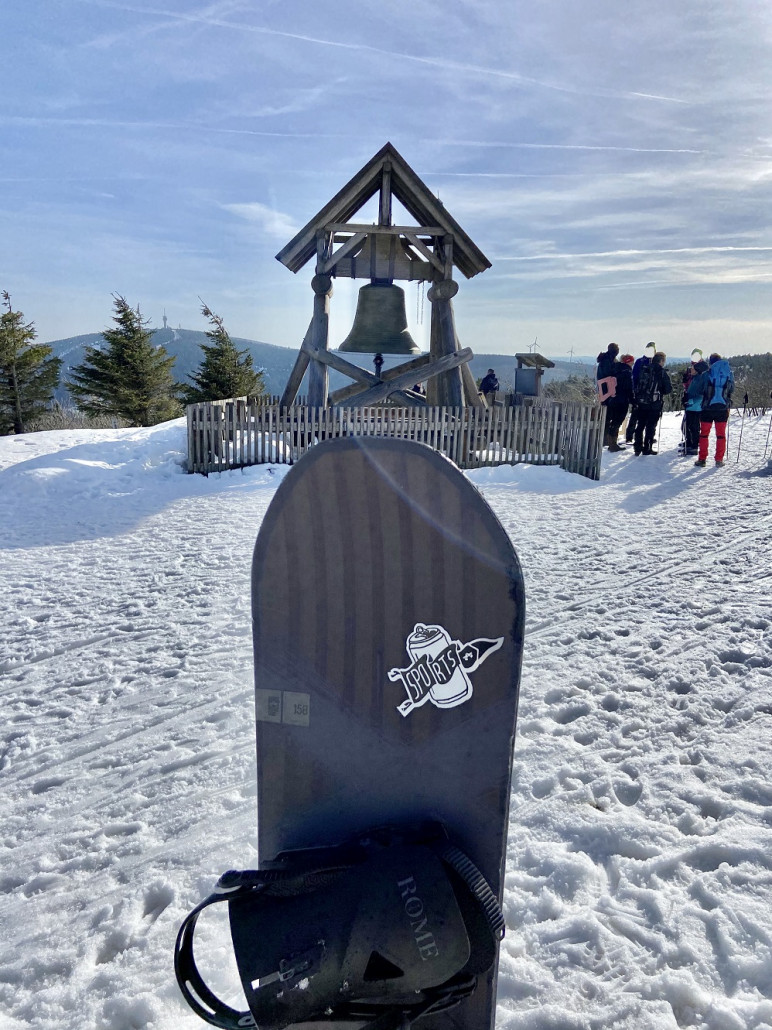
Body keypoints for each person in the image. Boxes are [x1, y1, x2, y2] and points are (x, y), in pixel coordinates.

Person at [695, 353, 734, 467]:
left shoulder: (707, 374)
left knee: (704, 434)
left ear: (710, 363)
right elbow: (731, 389)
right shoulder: (729, 374)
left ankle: (702, 459)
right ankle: (719, 459)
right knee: (721, 435)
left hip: (707, 408)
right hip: (722, 408)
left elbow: (699, 389)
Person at [632, 350, 672, 455]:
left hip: (641, 401)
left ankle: (637, 446)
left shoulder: (644, 369)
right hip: (654, 403)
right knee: (651, 426)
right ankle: (647, 447)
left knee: (640, 425)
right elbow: (668, 389)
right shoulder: (661, 372)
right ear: (661, 361)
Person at [626, 342, 657, 444]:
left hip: (639, 393)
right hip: (649, 394)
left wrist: (634, 390)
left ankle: (631, 436)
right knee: (646, 417)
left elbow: (634, 377)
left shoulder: (640, 361)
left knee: (637, 415)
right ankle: (646, 437)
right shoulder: (652, 363)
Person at [606, 354, 634, 451]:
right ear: (628, 362)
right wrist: (632, 399)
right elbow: (629, 387)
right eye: (632, 362)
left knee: (613, 421)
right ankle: (613, 444)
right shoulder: (627, 372)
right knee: (618, 421)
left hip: (612, 398)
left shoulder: (615, 369)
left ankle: (611, 443)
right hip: (622, 399)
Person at [596, 343, 620, 446]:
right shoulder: (607, 360)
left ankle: (605, 438)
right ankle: (604, 439)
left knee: (607, 415)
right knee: (607, 416)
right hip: (607, 391)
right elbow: (608, 374)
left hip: (604, 390)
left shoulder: (606, 359)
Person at [682, 350, 705, 455]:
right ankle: (690, 442)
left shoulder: (700, 375)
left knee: (693, 426)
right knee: (688, 425)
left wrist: (688, 400)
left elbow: (699, 393)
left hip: (695, 405)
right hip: (691, 404)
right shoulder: (694, 374)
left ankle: (693, 445)